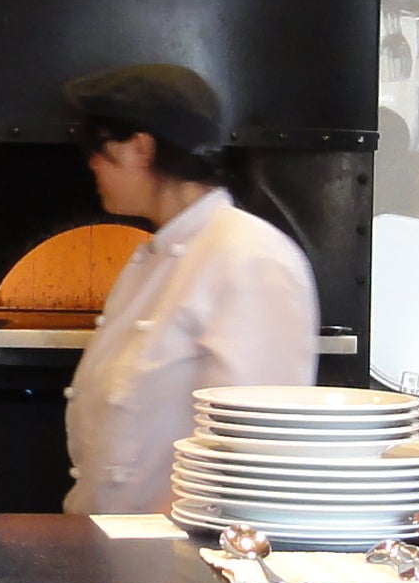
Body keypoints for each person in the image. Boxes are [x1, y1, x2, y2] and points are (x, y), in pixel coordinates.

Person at [59, 61, 323, 516]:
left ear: (140, 149)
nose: (91, 164)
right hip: (110, 541)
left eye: (97, 148)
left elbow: (254, 458)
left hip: (180, 550)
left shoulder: (251, 257)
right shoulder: (155, 259)